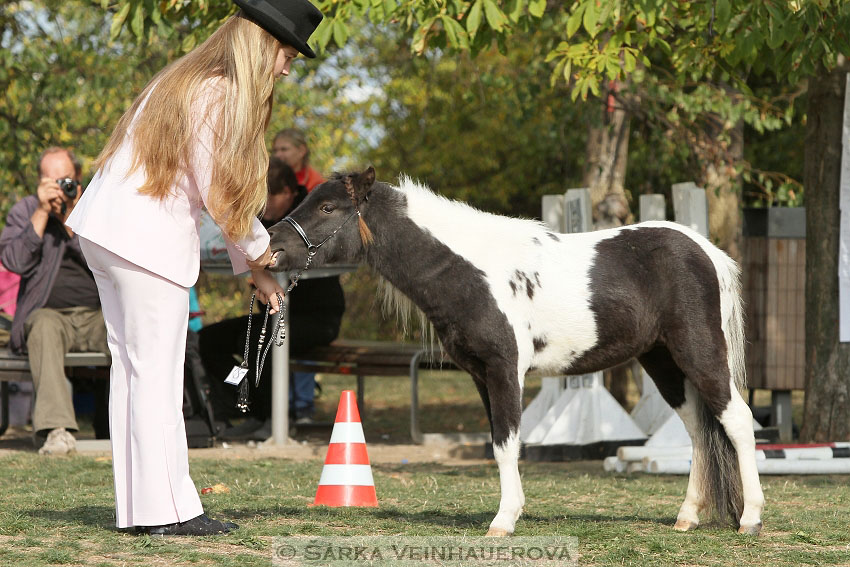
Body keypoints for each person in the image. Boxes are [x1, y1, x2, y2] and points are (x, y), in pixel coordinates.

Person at [65, 0, 323, 536]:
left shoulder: (183, 80)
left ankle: (139, 511)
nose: (287, 67)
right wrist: (261, 258)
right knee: (155, 377)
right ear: (262, 44)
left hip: (106, 234)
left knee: (134, 375)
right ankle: (170, 512)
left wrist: (252, 263)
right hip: (143, 243)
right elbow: (222, 191)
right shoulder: (217, 92)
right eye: (287, 54)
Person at [199, 157, 345, 439]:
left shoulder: (314, 218)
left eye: (273, 195)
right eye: (262, 196)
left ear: (290, 191)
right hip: (275, 316)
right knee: (208, 341)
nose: (266, 202)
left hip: (317, 318)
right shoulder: (261, 220)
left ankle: (274, 417)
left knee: (256, 341)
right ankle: (243, 403)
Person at [0, 147, 108, 456]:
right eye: (51, 180)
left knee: (133, 325)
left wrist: (74, 221)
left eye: (65, 180)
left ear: (79, 182)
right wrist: (43, 213)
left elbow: (107, 261)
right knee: (44, 324)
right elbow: (13, 261)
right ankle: (57, 431)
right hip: (50, 317)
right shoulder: (25, 211)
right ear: (39, 182)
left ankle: (145, 425)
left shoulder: (94, 211)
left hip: (97, 316)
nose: (59, 188)